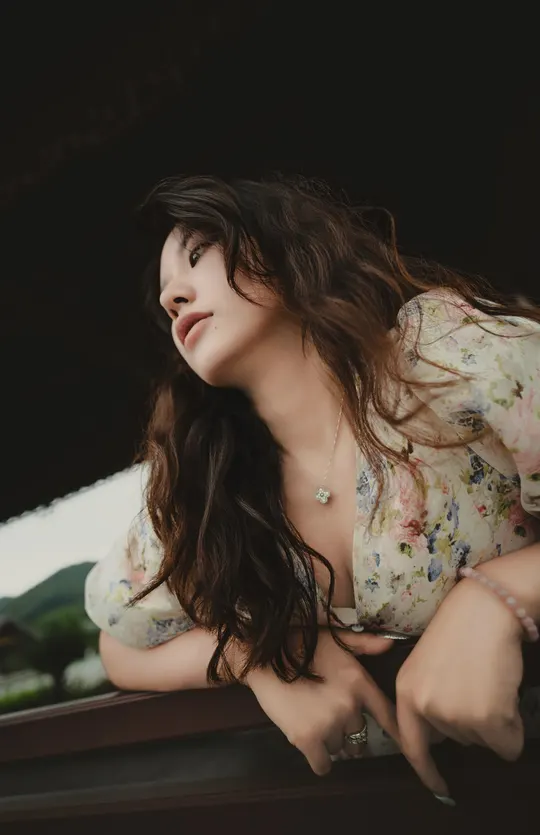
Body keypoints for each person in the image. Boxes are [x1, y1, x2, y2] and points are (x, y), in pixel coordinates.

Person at [85, 175, 540, 806]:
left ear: (282, 248)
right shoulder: (207, 487)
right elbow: (120, 645)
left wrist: (496, 598)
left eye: (197, 255)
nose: (171, 296)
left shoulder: (444, 358)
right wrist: (254, 656)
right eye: (165, 291)